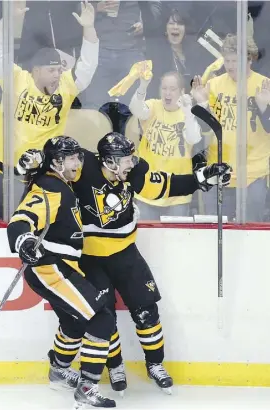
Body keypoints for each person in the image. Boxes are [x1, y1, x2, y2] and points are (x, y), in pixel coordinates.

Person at [17, 131, 232, 395]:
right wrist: (30, 163)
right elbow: (51, 165)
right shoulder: (82, 166)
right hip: (90, 259)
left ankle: (155, 364)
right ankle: (115, 365)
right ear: (108, 161)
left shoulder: (135, 171)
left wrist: (202, 178)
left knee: (146, 310)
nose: (132, 162)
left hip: (125, 253)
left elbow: (165, 185)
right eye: (126, 158)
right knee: (103, 315)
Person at [7, 136, 116, 408]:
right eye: (72, 158)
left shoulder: (60, 184)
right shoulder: (50, 186)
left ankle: (59, 370)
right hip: (50, 268)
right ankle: (87, 387)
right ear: (56, 162)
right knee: (101, 318)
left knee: (74, 323)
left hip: (59, 267)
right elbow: (22, 219)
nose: (78, 162)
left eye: (78, 157)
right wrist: (24, 240)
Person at [0, 1, 99, 220]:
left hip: (39, 174)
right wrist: (7, 21)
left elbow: (87, 66)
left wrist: (89, 28)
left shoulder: (66, 85)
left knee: (35, 226)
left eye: (59, 70)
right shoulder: (17, 79)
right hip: (3, 171)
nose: (57, 75)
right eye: (51, 70)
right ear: (36, 70)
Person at [195, 34, 270, 221]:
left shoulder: (264, 85)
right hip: (219, 171)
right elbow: (205, 130)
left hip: (253, 174)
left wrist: (263, 107)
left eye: (235, 60)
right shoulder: (214, 85)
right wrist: (202, 104)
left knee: (250, 232)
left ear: (249, 59)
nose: (230, 65)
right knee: (217, 232)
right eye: (227, 60)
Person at [129, 69, 206, 219]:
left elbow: (194, 138)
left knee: (177, 241)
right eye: (164, 88)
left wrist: (188, 111)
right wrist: (143, 86)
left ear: (182, 91)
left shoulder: (188, 113)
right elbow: (135, 109)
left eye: (172, 89)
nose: (167, 93)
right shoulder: (153, 106)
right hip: (147, 190)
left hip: (177, 194)